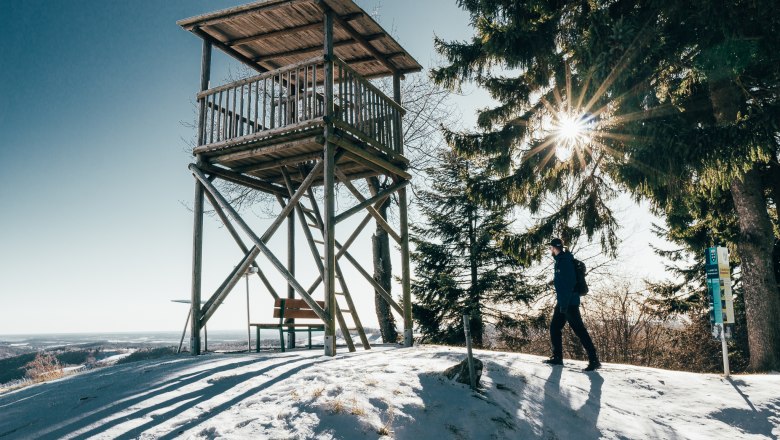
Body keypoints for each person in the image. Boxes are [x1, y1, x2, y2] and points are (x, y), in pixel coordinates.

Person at [543, 238, 601, 371]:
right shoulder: (560, 261)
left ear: (554, 248)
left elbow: (568, 285)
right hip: (563, 302)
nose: (550, 250)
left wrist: (564, 304)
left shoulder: (564, 262)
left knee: (580, 330)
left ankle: (594, 360)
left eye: (550, 248)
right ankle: (557, 358)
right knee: (554, 328)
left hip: (569, 303)